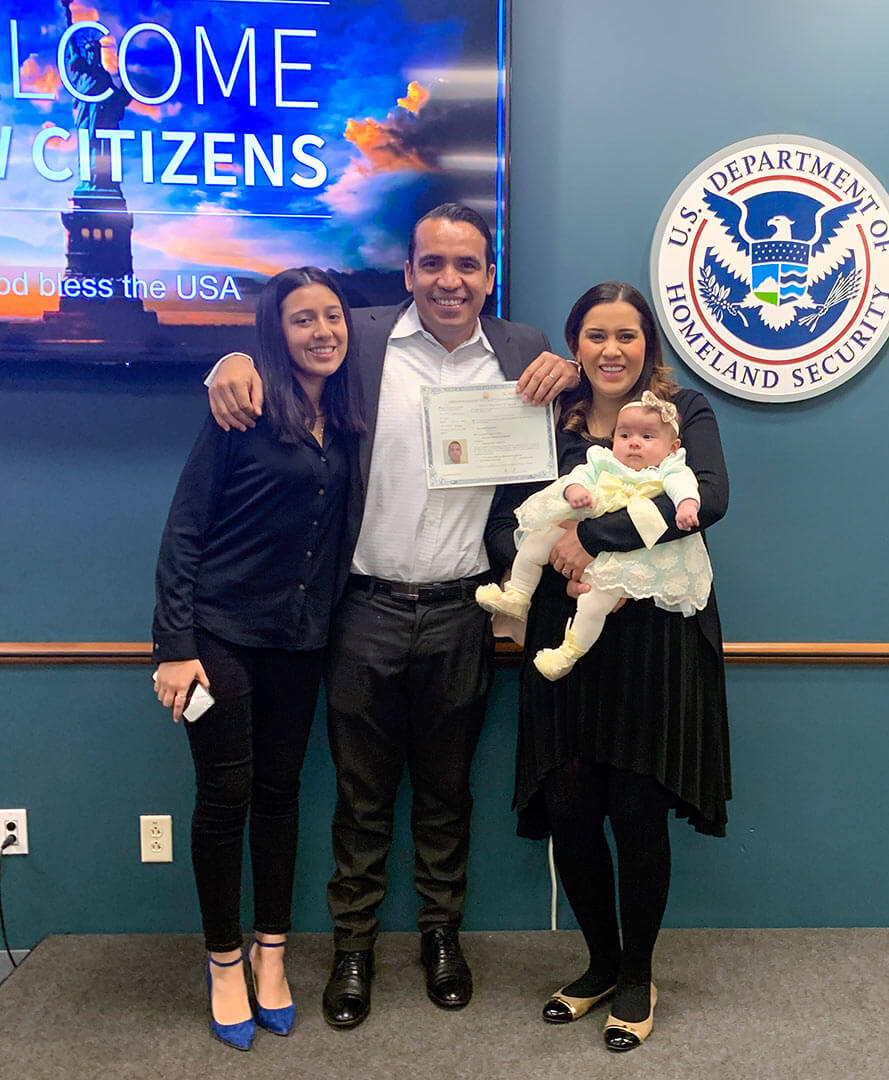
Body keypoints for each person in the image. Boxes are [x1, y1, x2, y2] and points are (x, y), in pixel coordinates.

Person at [205, 203, 579, 1029]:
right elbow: (279, 343)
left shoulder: (521, 351)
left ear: (490, 275)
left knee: (447, 794)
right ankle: (353, 947)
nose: (451, 280)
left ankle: (441, 936)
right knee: (360, 796)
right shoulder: (359, 338)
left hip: (463, 612)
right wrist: (229, 355)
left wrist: (574, 372)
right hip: (362, 609)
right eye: (433, 264)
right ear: (408, 272)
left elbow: (572, 413)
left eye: (469, 265)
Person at [485, 282, 731, 1052]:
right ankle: (596, 964)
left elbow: (711, 499)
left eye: (627, 334)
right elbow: (501, 518)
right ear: (574, 343)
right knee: (569, 802)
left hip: (654, 636)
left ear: (648, 345)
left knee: (635, 805)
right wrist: (551, 563)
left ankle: (636, 971)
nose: (612, 349)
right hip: (566, 632)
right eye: (595, 334)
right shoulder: (545, 418)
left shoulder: (681, 413)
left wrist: (596, 543)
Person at [153, 266, 364, 1050]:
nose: (322, 332)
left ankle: (272, 957)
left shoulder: (343, 418)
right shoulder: (239, 411)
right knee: (226, 795)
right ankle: (223, 963)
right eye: (303, 320)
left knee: (280, 796)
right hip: (218, 641)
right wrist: (174, 647)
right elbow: (184, 533)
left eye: (333, 317)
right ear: (275, 333)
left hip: (301, 641)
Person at [475, 390, 710, 680]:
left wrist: (687, 504)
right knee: (536, 540)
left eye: (647, 437)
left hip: (628, 556)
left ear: (673, 447)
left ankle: (569, 652)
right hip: (580, 525)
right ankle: (517, 593)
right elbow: (578, 476)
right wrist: (575, 491)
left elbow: (685, 486)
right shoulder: (603, 461)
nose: (634, 442)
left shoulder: (668, 469)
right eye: (624, 436)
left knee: (594, 601)